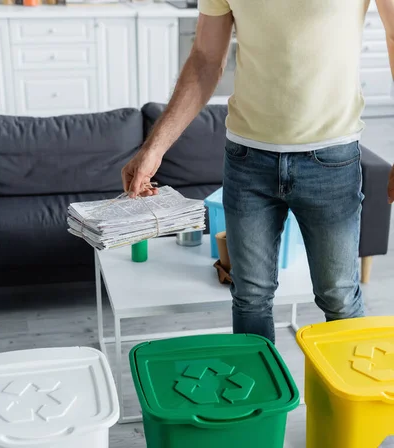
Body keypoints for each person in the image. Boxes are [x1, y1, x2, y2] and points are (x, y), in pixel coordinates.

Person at [122, 0, 394, 343]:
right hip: (247, 161)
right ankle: (258, 398)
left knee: (339, 298)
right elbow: (206, 59)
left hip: (331, 160)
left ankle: (348, 398)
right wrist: (154, 147)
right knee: (250, 297)